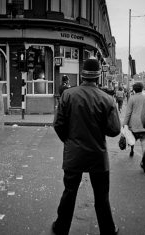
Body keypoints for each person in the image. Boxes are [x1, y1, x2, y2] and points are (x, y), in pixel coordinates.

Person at [53, 57, 120, 235]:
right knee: (101, 196)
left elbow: (58, 124)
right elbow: (114, 130)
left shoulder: (68, 95)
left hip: (74, 154)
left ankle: (61, 227)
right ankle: (108, 230)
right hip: (98, 155)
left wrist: (69, 141)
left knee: (69, 192)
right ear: (99, 76)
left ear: (82, 76)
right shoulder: (107, 99)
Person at [123, 82, 145, 158]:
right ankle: (144, 159)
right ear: (142, 89)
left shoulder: (132, 98)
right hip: (144, 123)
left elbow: (128, 113)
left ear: (134, 90)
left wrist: (124, 124)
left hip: (133, 123)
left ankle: (132, 150)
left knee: (132, 138)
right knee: (143, 140)